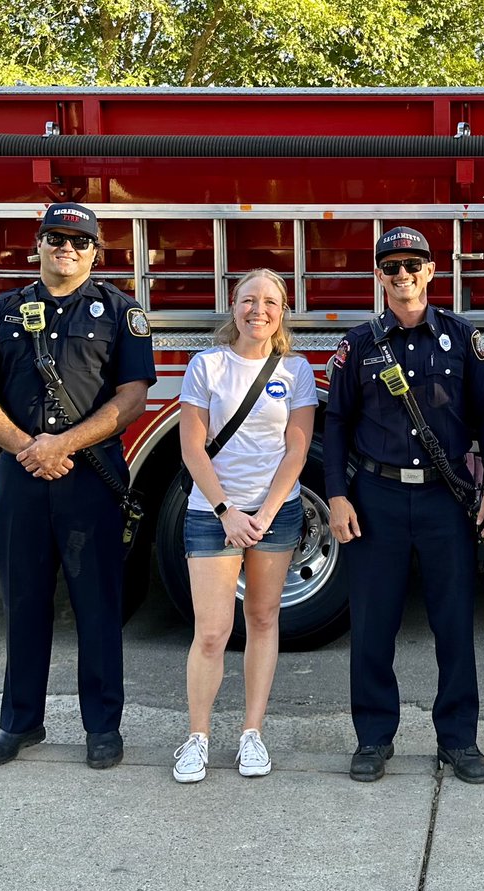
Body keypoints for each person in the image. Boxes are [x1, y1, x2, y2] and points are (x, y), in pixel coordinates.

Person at [0, 202, 156, 769]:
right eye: (55, 237)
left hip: (90, 477)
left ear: (95, 252)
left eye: (78, 240)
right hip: (20, 473)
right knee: (23, 601)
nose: (66, 247)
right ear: (38, 245)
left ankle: (103, 726)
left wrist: (62, 445)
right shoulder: (1, 310)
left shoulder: (121, 311)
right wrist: (30, 448)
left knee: (98, 605)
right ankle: (19, 723)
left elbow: (131, 399)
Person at [325, 226, 484, 784]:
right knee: (373, 624)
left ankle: (459, 739)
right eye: (391, 266)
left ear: (431, 271)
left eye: (412, 264)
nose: (402, 274)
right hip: (375, 497)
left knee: (453, 624)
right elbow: (337, 422)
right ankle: (373, 738)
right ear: (378, 275)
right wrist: (336, 495)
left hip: (444, 498)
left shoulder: (462, 337)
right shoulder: (358, 344)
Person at [171, 269, 316, 784]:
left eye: (270, 302)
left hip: (276, 514)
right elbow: (192, 447)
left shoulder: (296, 370)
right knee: (211, 633)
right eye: (249, 300)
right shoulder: (207, 365)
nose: (259, 310)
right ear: (233, 307)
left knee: (262, 620)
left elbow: (297, 448)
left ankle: (252, 733)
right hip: (213, 515)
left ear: (283, 311)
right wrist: (226, 511)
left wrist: (267, 513)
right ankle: (198, 737)